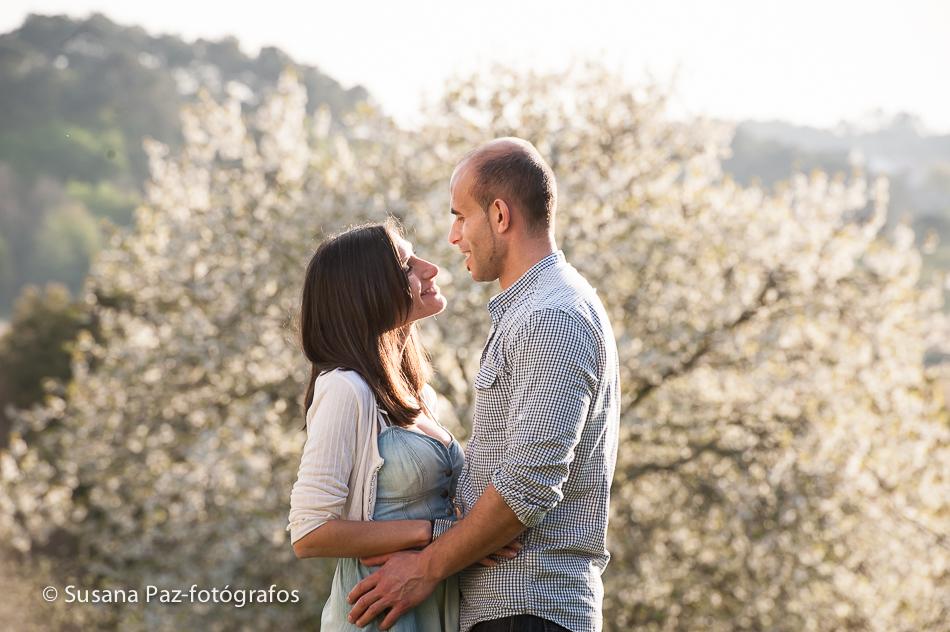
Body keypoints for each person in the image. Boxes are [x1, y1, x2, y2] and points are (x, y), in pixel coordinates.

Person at [346, 138, 620, 632]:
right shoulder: (535, 309)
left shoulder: (551, 316)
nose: (453, 236)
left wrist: (425, 567)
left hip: (529, 609)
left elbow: (529, 481)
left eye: (460, 216)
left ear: (499, 215)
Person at [287, 221, 518, 631]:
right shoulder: (345, 388)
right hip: (377, 611)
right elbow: (310, 533)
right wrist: (438, 533)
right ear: (368, 289)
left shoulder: (419, 394)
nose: (430, 268)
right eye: (407, 265)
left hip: (430, 604)